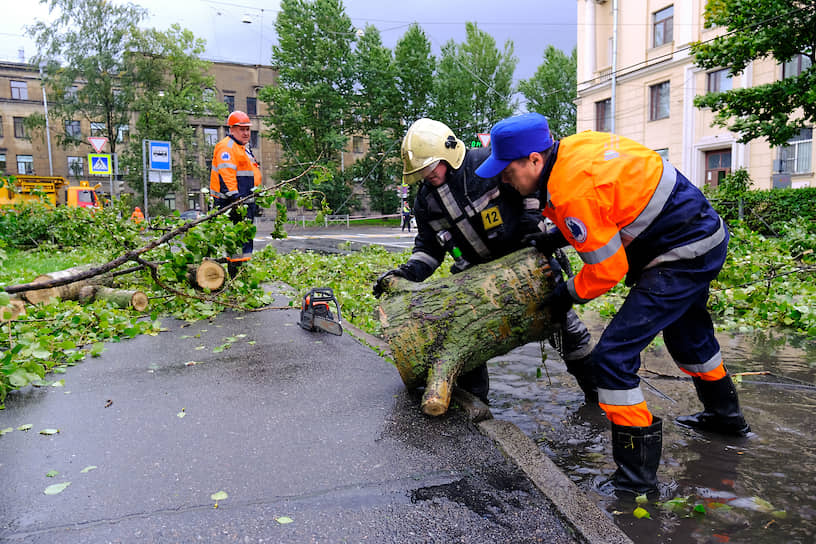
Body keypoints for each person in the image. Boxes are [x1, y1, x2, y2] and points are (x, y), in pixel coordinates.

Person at [475, 112, 751, 497]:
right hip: (701, 235)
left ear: (535, 160)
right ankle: (726, 418)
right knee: (690, 340)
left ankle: (637, 481)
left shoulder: (572, 189)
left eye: (507, 170)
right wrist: (557, 239)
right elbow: (606, 209)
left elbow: (607, 270)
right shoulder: (573, 149)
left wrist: (566, 293)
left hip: (682, 252)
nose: (504, 178)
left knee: (612, 359)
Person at [372, 118, 596, 405]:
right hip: (475, 286)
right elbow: (428, 248)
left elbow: (532, 190)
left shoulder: (486, 165)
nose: (427, 176)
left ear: (448, 152)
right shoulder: (425, 201)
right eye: (420, 172)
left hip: (527, 270)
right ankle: (475, 413)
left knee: (569, 334)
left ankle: (599, 397)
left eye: (429, 168)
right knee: (466, 343)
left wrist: (534, 229)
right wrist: (406, 274)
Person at [209, 110, 262, 263]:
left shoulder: (244, 148)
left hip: (244, 202)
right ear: (231, 129)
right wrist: (235, 198)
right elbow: (226, 175)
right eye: (242, 129)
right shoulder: (226, 147)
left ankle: (242, 271)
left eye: (247, 129)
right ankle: (237, 274)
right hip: (232, 203)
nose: (246, 133)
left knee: (245, 240)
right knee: (237, 242)